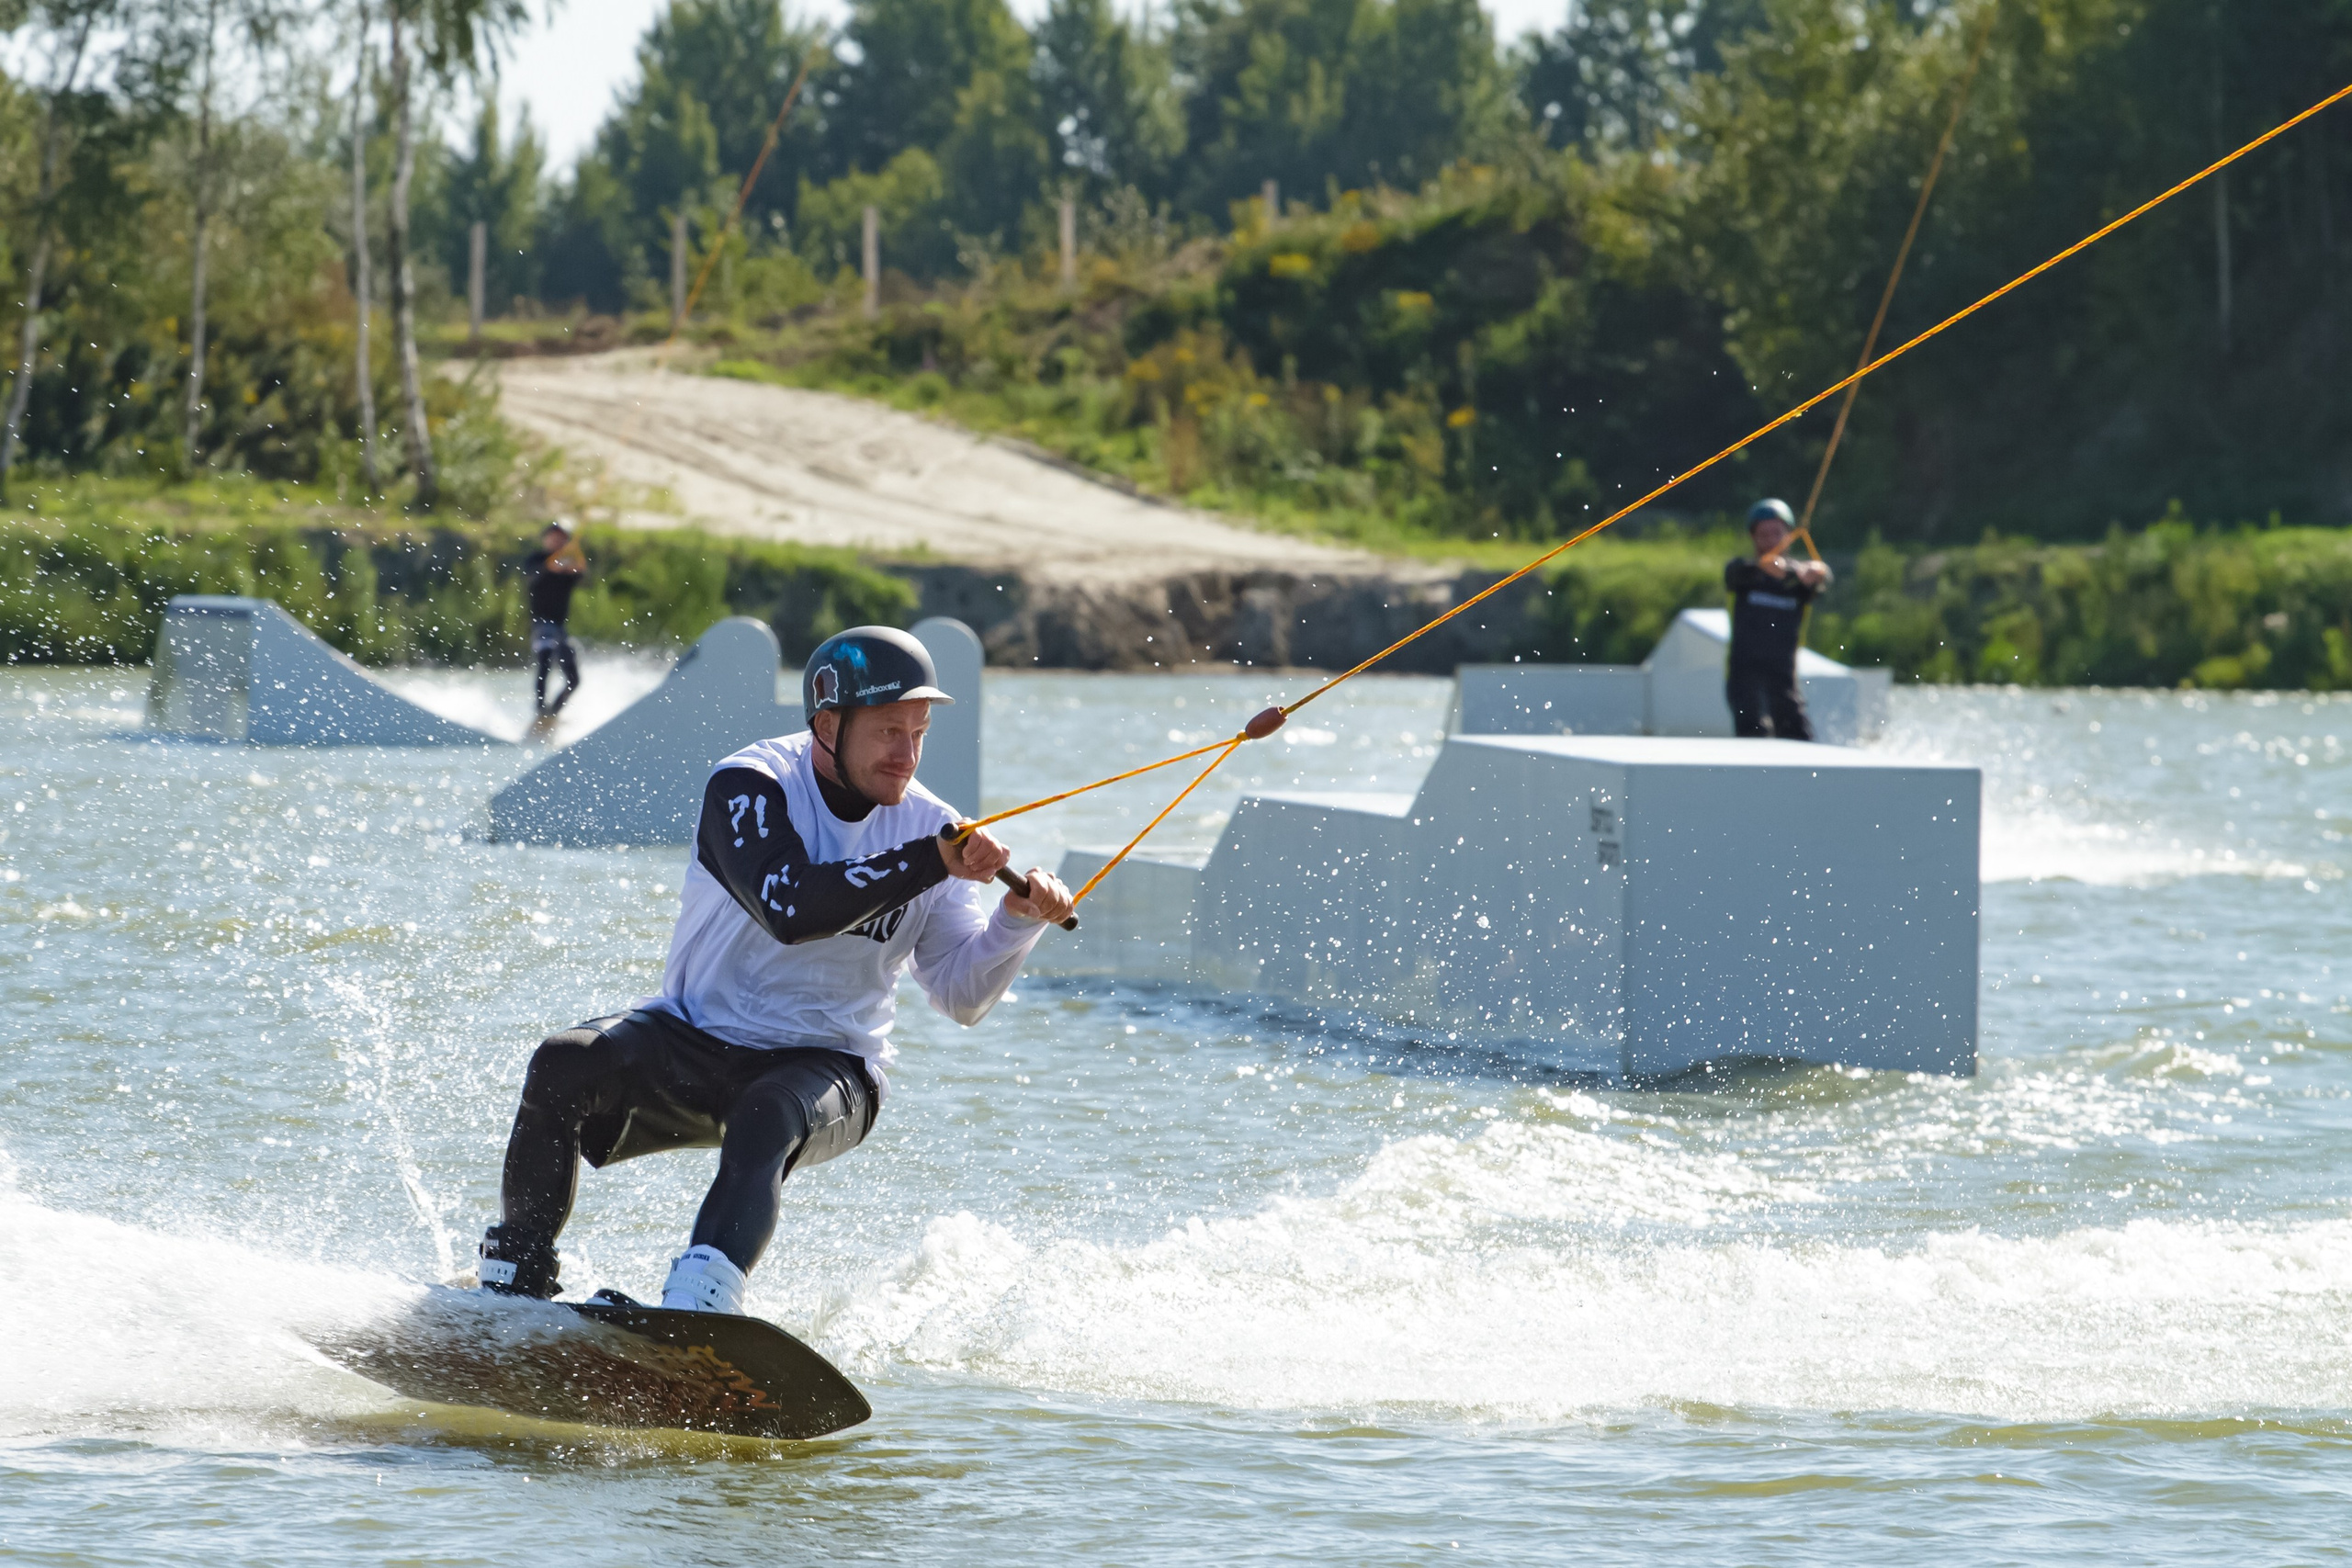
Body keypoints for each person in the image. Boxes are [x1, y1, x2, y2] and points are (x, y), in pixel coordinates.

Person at [474, 626, 1076, 1314]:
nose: (906, 755)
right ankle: (512, 1290)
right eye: (887, 731)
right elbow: (789, 906)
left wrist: (1016, 922)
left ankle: (698, 1309)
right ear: (827, 724)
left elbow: (961, 995)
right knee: (562, 1062)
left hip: (829, 1069)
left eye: (920, 732)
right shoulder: (749, 785)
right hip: (697, 1039)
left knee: (767, 1113)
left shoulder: (935, 826)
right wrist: (926, 861)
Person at [1723, 498, 1834, 740]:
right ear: (1754, 538)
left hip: (1783, 678)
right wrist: (1793, 571)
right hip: (1743, 676)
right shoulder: (1742, 573)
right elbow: (1764, 567)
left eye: (1776, 533)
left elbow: (1823, 576)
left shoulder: (1799, 583)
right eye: (1763, 535)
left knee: (1799, 739)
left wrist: (1817, 572)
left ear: (1788, 535)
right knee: (1755, 735)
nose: (1771, 540)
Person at [523, 520, 585, 717]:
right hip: (541, 624)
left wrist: (572, 565)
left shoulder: (569, 565)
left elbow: (581, 576)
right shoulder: (535, 560)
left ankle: (554, 712)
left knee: (574, 679)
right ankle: (540, 709)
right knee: (545, 662)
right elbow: (533, 577)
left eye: (561, 538)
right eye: (553, 537)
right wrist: (552, 566)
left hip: (559, 628)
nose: (556, 541)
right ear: (545, 539)